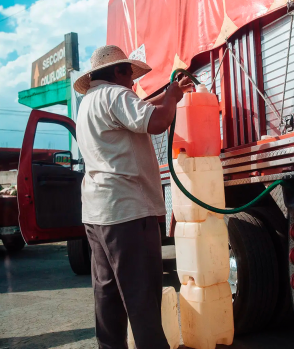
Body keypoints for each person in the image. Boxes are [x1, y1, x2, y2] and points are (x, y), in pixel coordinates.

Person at [73, 45, 193, 349]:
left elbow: (139, 110)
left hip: (98, 214)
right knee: (142, 298)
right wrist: (173, 98)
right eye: (129, 74)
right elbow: (155, 122)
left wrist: (167, 95)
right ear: (118, 71)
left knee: (108, 294)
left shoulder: (88, 102)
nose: (133, 82)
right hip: (128, 211)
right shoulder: (117, 95)